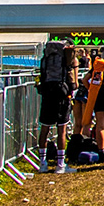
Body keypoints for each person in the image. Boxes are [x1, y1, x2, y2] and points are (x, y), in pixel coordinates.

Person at [35, 40, 75, 171]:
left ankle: (42, 163)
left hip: (47, 92)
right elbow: (71, 75)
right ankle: (60, 164)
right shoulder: (65, 57)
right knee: (61, 129)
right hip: (61, 93)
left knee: (45, 128)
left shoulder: (45, 58)